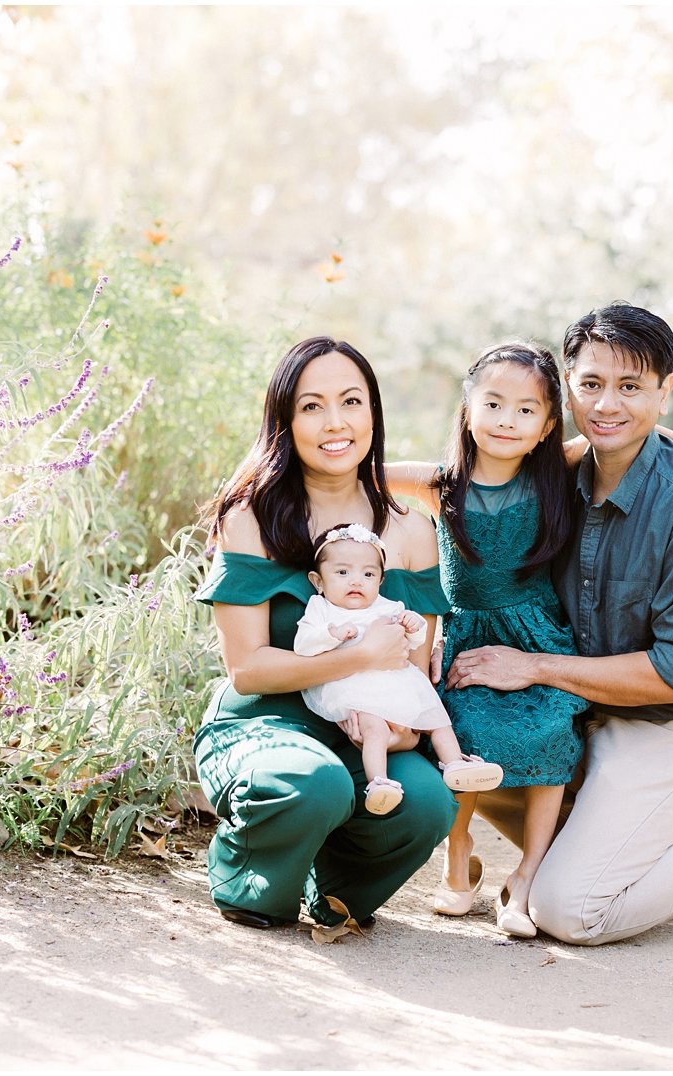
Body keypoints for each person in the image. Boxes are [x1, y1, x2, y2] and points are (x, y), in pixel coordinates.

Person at [444, 302, 673, 946]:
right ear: (568, 388)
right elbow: (438, 481)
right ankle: (603, 843)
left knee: (573, 909)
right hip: (578, 715)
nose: (607, 404)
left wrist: (531, 666)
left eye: (632, 388)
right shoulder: (551, 479)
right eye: (591, 385)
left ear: (666, 393)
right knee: (453, 752)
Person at [192, 336, 457, 932]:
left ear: (374, 413)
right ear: (285, 421)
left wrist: (401, 736)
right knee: (315, 785)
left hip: (367, 726)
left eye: (351, 401)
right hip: (265, 719)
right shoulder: (251, 518)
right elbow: (249, 670)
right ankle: (250, 878)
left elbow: (409, 675)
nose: (335, 422)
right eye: (312, 406)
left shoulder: (412, 533)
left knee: (427, 802)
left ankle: (335, 885)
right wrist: (357, 654)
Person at [386, 342, 590, 938]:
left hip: (538, 637)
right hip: (468, 634)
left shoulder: (558, 474)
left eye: (527, 411)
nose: (508, 420)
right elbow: (349, 468)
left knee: (554, 727)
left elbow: (636, 434)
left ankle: (526, 877)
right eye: (494, 403)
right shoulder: (439, 484)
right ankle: (458, 858)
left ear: (549, 424)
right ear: (467, 407)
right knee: (464, 730)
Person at [293, 521, 503, 816]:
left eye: (368, 574)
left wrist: (413, 626)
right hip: (355, 688)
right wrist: (332, 634)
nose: (356, 581)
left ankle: (455, 763)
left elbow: (412, 641)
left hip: (398, 683)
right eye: (342, 572)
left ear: (379, 580)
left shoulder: (387, 606)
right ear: (318, 580)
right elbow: (303, 645)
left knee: (436, 718)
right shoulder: (322, 609)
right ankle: (379, 781)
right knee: (374, 730)